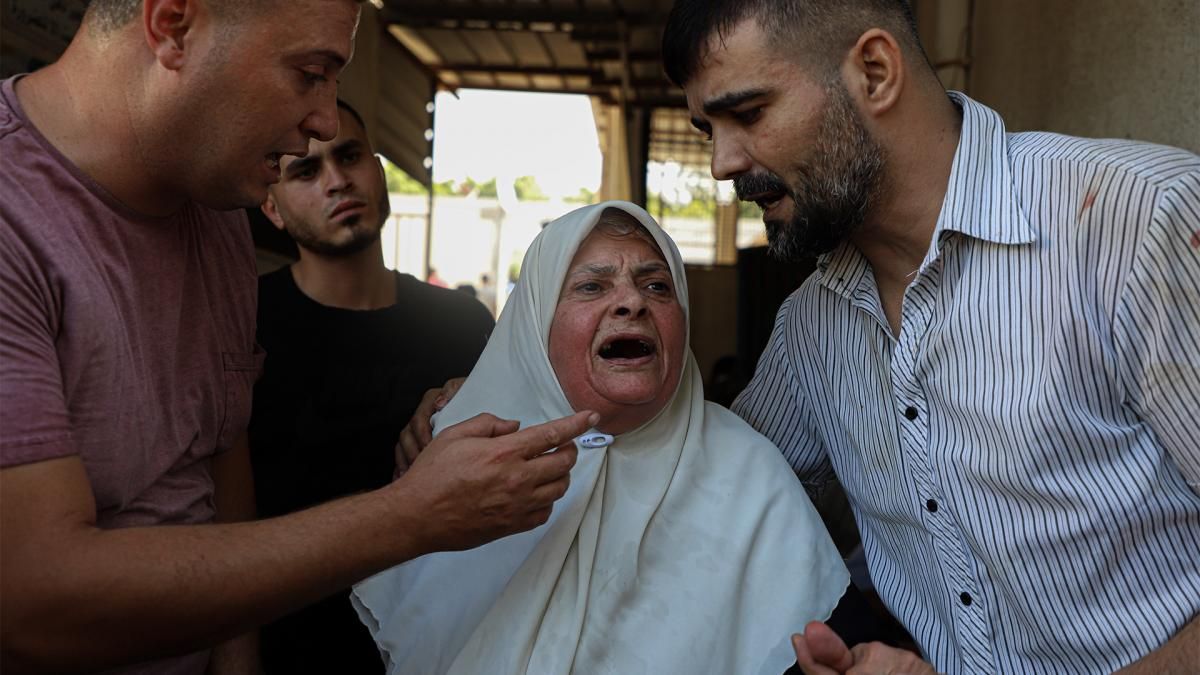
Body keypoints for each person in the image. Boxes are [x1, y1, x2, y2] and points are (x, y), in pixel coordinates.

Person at [0, 1, 593, 672]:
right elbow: (30, 595)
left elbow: (219, 475)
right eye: (311, 73)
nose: (326, 120)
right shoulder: (15, 219)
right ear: (173, 26)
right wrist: (413, 513)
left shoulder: (213, 211)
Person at [659, 1, 1200, 673]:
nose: (720, 162)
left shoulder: (1140, 220)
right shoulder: (808, 330)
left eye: (749, 113)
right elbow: (706, 506)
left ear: (876, 72)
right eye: (706, 127)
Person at [353, 202, 849, 674]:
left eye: (657, 286)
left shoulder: (749, 475)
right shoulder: (469, 454)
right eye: (591, 287)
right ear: (535, 327)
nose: (632, 302)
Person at [251, 99, 495, 673]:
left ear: (379, 169)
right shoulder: (246, 324)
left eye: (351, 156)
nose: (337, 181)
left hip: (439, 643)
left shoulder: (463, 322)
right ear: (272, 207)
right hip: (290, 642)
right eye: (305, 172)